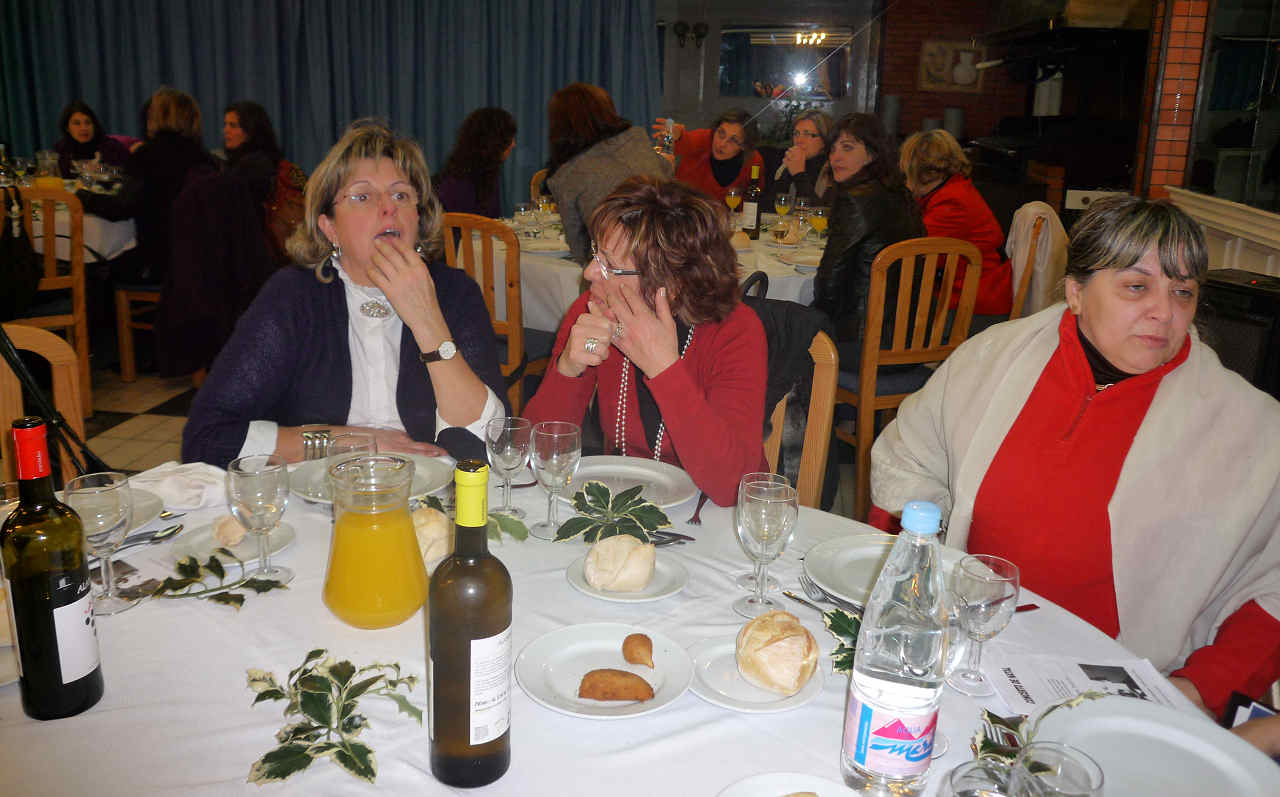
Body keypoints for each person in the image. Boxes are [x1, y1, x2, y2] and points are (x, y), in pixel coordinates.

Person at [870, 196, 1280, 726]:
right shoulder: (992, 359)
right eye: (1137, 287)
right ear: (1076, 292)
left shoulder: (1251, 429)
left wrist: (1198, 690)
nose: (1165, 312)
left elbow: (1272, 588)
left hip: (1123, 692)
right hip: (968, 652)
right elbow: (906, 465)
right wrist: (902, 598)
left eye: (1183, 292)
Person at [182, 119, 508, 468]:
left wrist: (427, 320)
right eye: (363, 196)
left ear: (419, 217)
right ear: (329, 227)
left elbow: (491, 447)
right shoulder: (294, 297)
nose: (388, 208)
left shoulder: (455, 293)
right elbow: (207, 438)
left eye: (401, 195)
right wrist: (345, 441)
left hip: (433, 493)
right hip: (318, 491)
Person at [522, 176, 768, 507]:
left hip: (713, 513)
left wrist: (664, 368)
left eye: (610, 266)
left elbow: (733, 486)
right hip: (623, 505)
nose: (590, 272)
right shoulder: (594, 311)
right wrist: (568, 368)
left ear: (672, 282)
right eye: (596, 254)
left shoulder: (735, 332)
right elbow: (534, 459)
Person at [812, 113, 925, 369]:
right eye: (832, 149)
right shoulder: (902, 194)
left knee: (778, 328)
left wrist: (809, 322)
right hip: (910, 342)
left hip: (863, 346)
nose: (835, 158)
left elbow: (829, 282)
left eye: (847, 148)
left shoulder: (855, 198)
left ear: (873, 154)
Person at [78, 87, 218, 283]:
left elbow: (120, 208)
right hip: (205, 258)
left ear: (156, 117)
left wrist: (83, 197)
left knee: (95, 272)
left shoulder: (147, 156)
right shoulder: (207, 158)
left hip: (161, 261)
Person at [545, 83, 672, 264]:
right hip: (670, 255)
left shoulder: (568, 176)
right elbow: (667, 177)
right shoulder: (638, 141)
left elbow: (580, 249)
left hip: (618, 270)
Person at [900, 129, 1012, 328]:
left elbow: (909, 251)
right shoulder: (955, 189)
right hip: (972, 297)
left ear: (914, 168)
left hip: (973, 310)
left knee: (892, 321)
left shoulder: (951, 203)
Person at [653, 108, 764, 204]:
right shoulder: (704, 139)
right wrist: (675, 135)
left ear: (744, 146)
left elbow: (755, 200)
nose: (722, 144)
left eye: (733, 140)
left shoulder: (754, 161)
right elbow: (680, 142)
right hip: (684, 209)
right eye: (721, 133)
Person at [435, 107, 517, 218]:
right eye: (510, 139)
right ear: (496, 142)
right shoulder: (459, 184)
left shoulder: (484, 172)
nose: (513, 144)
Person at [221, 100, 283, 206]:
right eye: (225, 124)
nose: (226, 130)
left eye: (233, 125)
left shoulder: (254, 166)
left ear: (250, 130)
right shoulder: (237, 162)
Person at [771, 108, 835, 207]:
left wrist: (798, 174)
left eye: (807, 134)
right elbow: (770, 206)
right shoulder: (786, 166)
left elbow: (820, 212)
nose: (799, 140)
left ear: (824, 140)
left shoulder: (833, 171)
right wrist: (787, 173)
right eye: (796, 134)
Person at [53, 100, 131, 177]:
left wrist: (102, 169)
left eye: (88, 123)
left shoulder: (111, 147)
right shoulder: (61, 149)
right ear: (67, 128)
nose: (84, 128)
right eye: (77, 123)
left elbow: (127, 172)